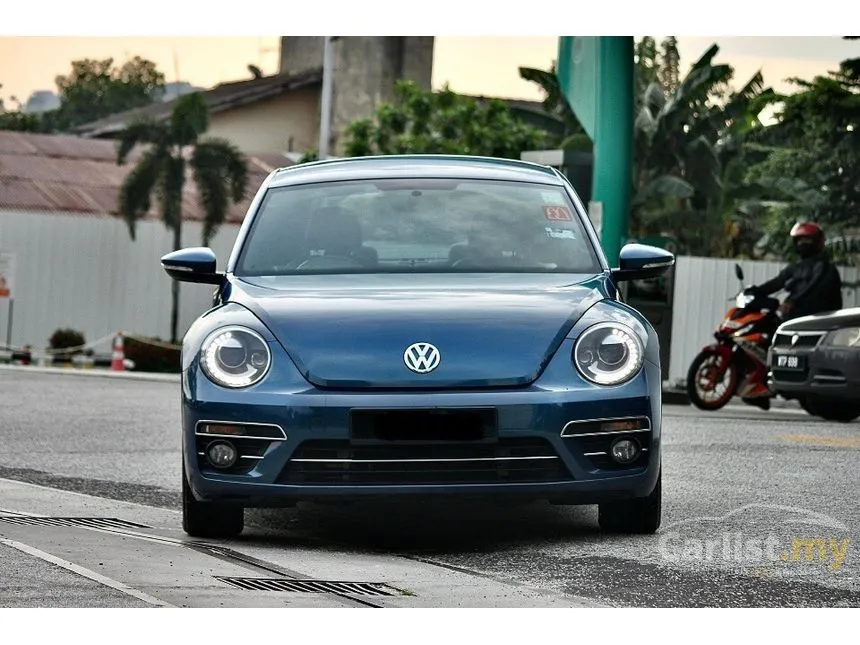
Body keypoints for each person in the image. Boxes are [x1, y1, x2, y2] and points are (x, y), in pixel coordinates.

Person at [746, 221, 843, 321]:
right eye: (799, 240)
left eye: (807, 239)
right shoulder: (797, 266)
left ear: (817, 241)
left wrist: (793, 302)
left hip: (818, 321)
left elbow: (814, 289)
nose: (802, 243)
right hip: (796, 318)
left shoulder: (825, 267)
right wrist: (755, 291)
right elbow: (778, 281)